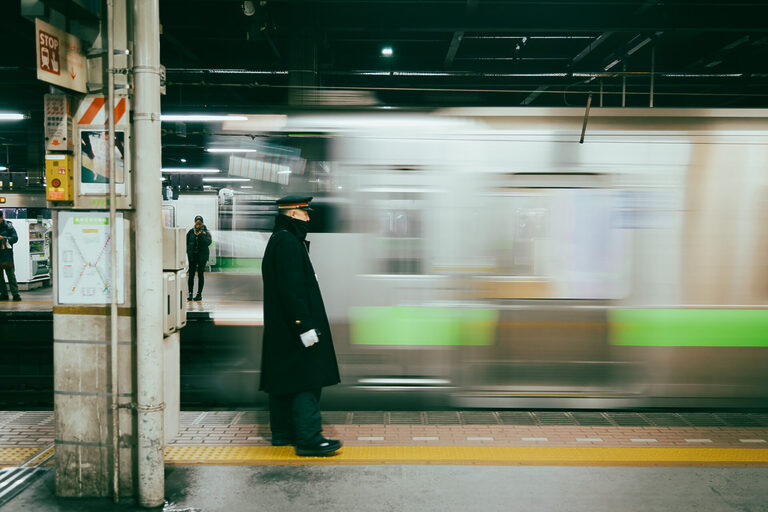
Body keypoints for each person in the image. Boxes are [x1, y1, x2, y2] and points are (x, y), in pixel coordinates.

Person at [260, 195, 342, 457]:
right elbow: (292, 289)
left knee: (284, 382)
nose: (308, 217)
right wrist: (304, 326)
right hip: (295, 329)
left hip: (282, 331)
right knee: (308, 380)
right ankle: (309, 439)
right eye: (305, 213)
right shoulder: (287, 243)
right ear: (294, 214)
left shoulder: (280, 239)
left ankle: (283, 434)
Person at [186, 215, 212, 301]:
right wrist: (188, 253)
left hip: (202, 256)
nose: (198, 224)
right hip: (192, 256)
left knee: (200, 274)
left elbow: (208, 243)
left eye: (199, 222)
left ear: (202, 223)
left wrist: (201, 235)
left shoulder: (206, 232)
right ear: (194, 222)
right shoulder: (190, 232)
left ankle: (199, 294)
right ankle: (190, 294)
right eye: (197, 222)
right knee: (191, 275)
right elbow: (186, 243)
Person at [0, 210, 21, 302]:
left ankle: (15, 294)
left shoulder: (8, 226)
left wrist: (4, 238)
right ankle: (4, 294)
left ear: (1, 218)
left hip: (6, 255)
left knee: (10, 275)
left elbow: (15, 238)